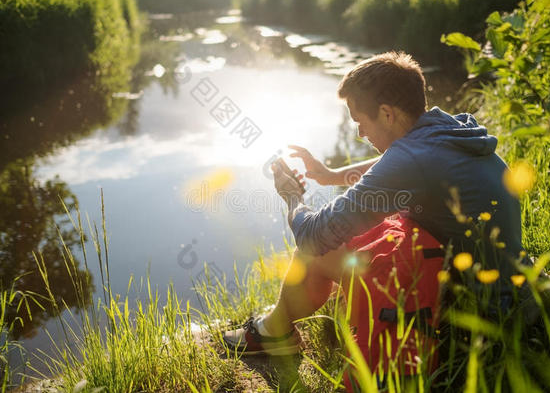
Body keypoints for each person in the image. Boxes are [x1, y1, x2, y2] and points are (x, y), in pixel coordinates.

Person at [222, 51, 527, 355]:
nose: (359, 132)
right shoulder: (446, 131)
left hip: (479, 312)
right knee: (369, 229)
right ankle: (286, 318)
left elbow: (314, 235)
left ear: (386, 113)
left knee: (314, 253)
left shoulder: (411, 158)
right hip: (512, 293)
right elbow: (395, 162)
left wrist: (292, 199)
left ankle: (274, 334)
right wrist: (332, 176)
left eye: (360, 121)